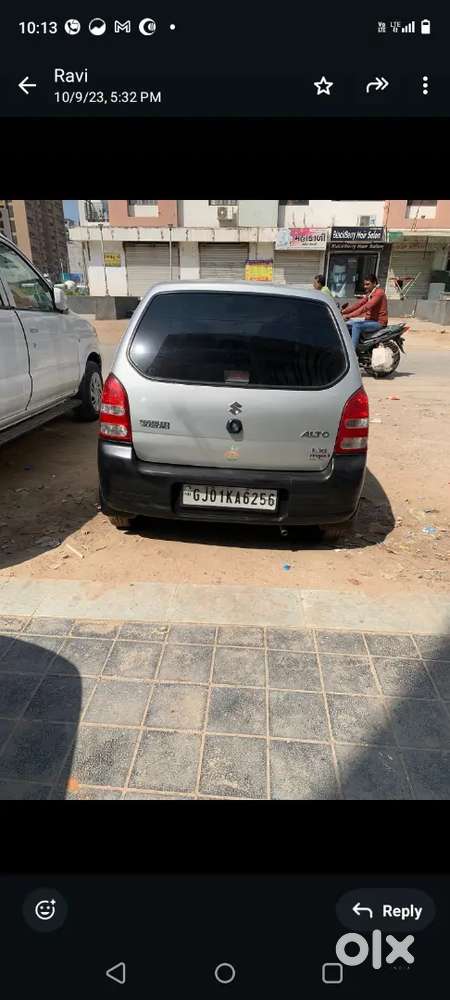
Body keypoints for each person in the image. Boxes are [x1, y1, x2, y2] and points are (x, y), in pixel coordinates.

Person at [342, 273, 388, 349]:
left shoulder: (379, 293)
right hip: (369, 320)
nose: (365, 286)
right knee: (347, 324)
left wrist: (348, 315)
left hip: (378, 322)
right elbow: (359, 304)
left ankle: (352, 353)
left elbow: (365, 307)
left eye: (367, 284)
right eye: (364, 284)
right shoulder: (370, 293)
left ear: (374, 283)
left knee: (356, 326)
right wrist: (344, 311)